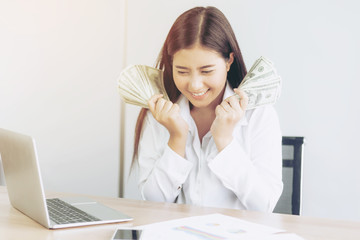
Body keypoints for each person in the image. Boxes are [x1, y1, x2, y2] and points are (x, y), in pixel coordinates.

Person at [132, 6, 283, 212]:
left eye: (207, 71)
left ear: (229, 61)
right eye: (182, 71)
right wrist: (176, 138)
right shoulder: (158, 113)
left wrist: (225, 142)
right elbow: (153, 201)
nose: (194, 85)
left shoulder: (259, 115)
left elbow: (264, 204)